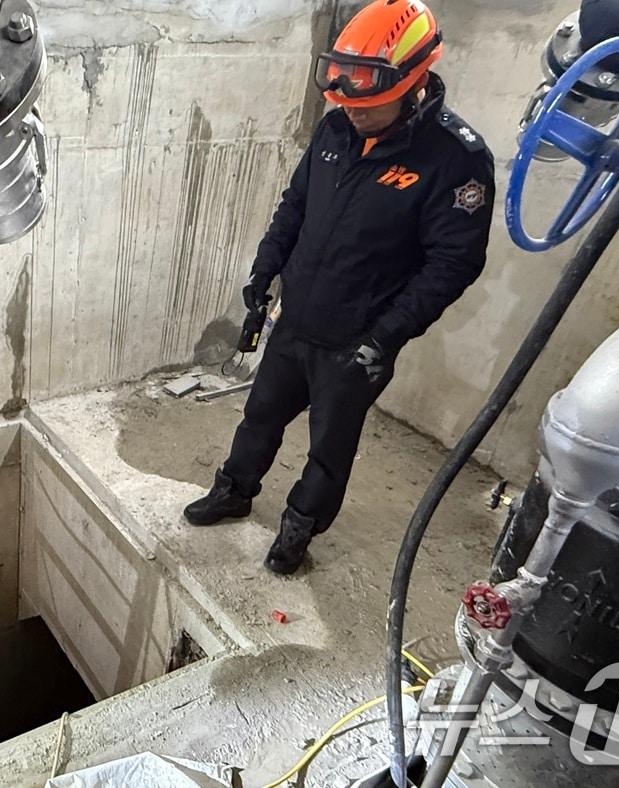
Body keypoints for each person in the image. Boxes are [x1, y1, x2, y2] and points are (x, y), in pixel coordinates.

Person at [183, 0, 494, 575]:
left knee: (329, 451)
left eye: (368, 104)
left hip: (357, 343)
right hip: (298, 320)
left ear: (414, 80)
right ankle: (234, 491)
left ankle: (297, 531)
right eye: (345, 100)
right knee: (258, 418)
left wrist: (385, 336)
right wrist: (263, 273)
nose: (353, 113)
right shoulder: (336, 127)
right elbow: (295, 207)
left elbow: (454, 264)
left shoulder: (455, 159)